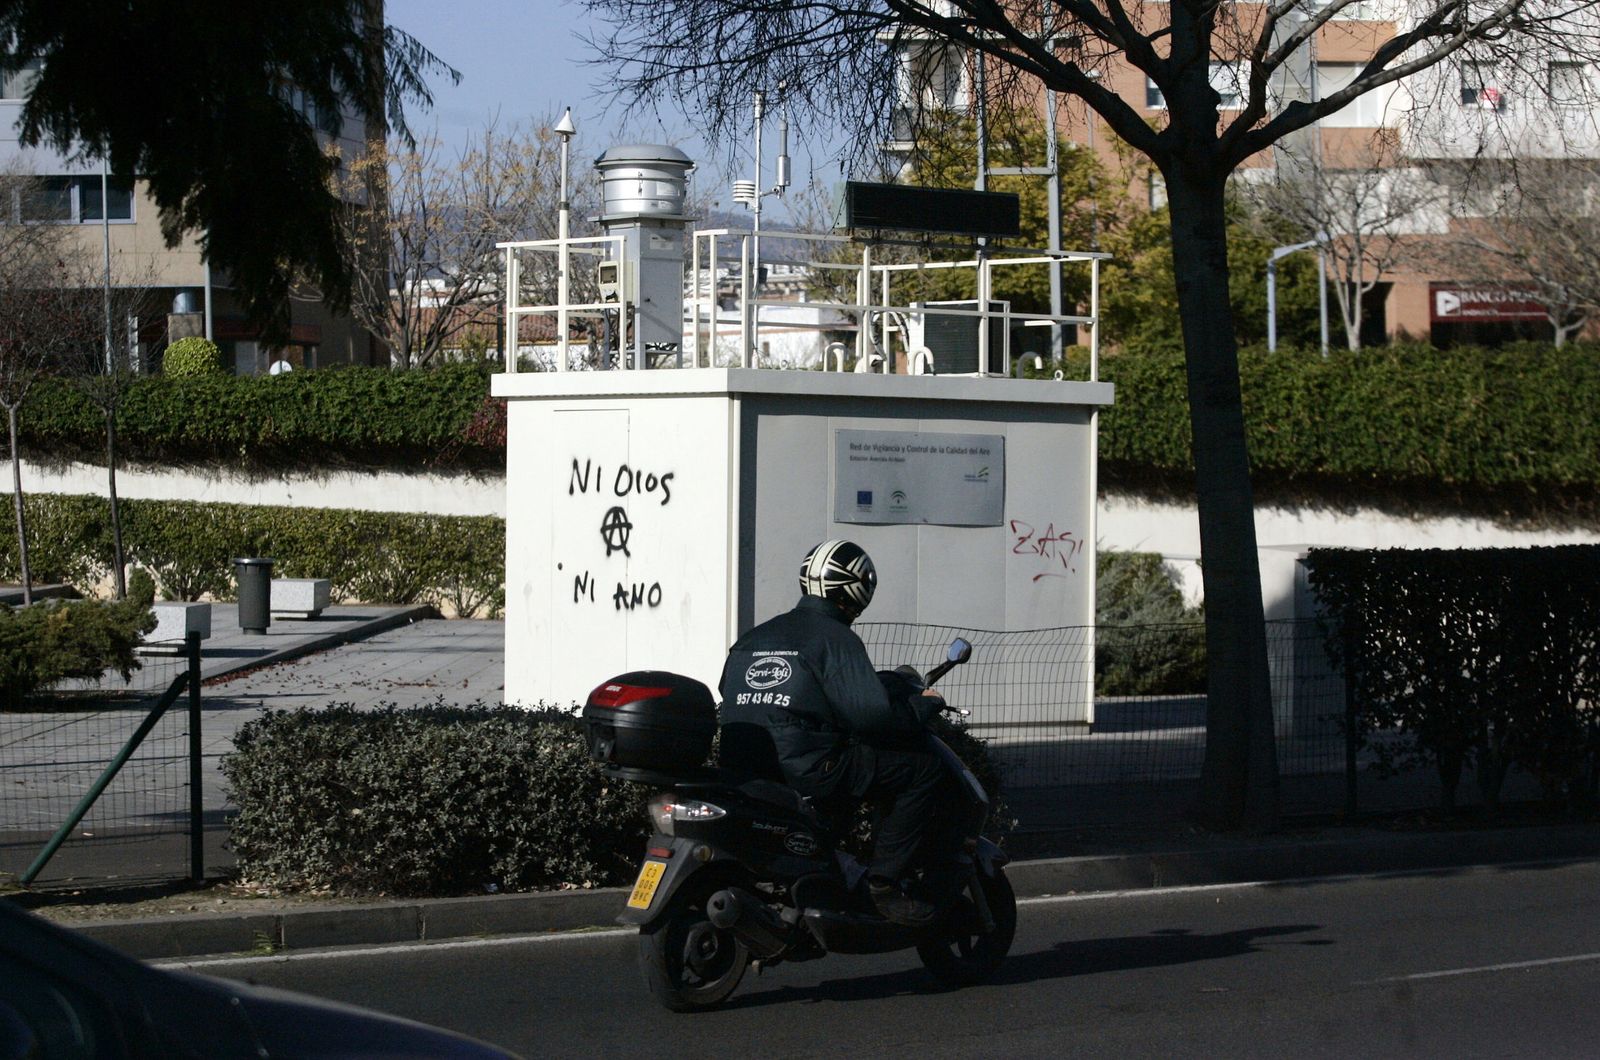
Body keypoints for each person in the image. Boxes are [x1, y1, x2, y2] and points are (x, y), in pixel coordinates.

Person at [718, 539, 954, 926]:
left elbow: (730, 690)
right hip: (807, 768)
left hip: (743, 765)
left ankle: (834, 864)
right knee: (921, 770)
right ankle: (884, 883)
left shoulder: (754, 637)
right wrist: (923, 706)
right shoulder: (835, 638)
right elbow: (874, 718)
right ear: (856, 590)